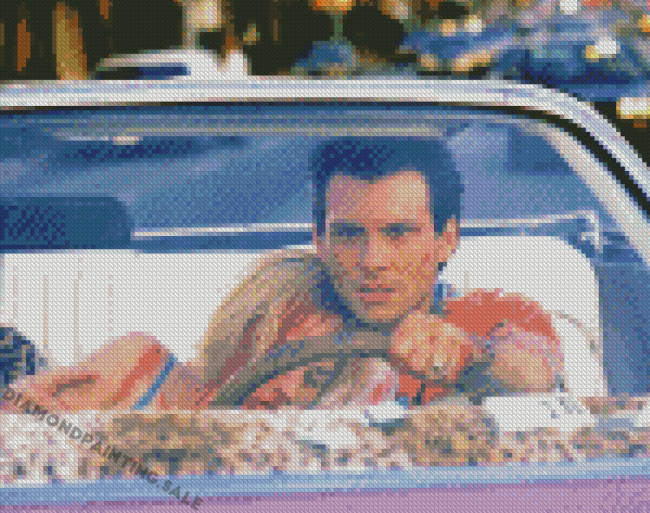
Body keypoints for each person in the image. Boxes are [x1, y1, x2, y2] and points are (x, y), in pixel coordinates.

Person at [2, 137, 565, 413]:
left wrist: (471, 357)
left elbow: (531, 368)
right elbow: (204, 409)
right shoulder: (282, 302)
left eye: (399, 233)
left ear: (447, 238)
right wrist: (108, 378)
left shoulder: (494, 317)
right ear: (319, 238)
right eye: (349, 234)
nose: (372, 260)